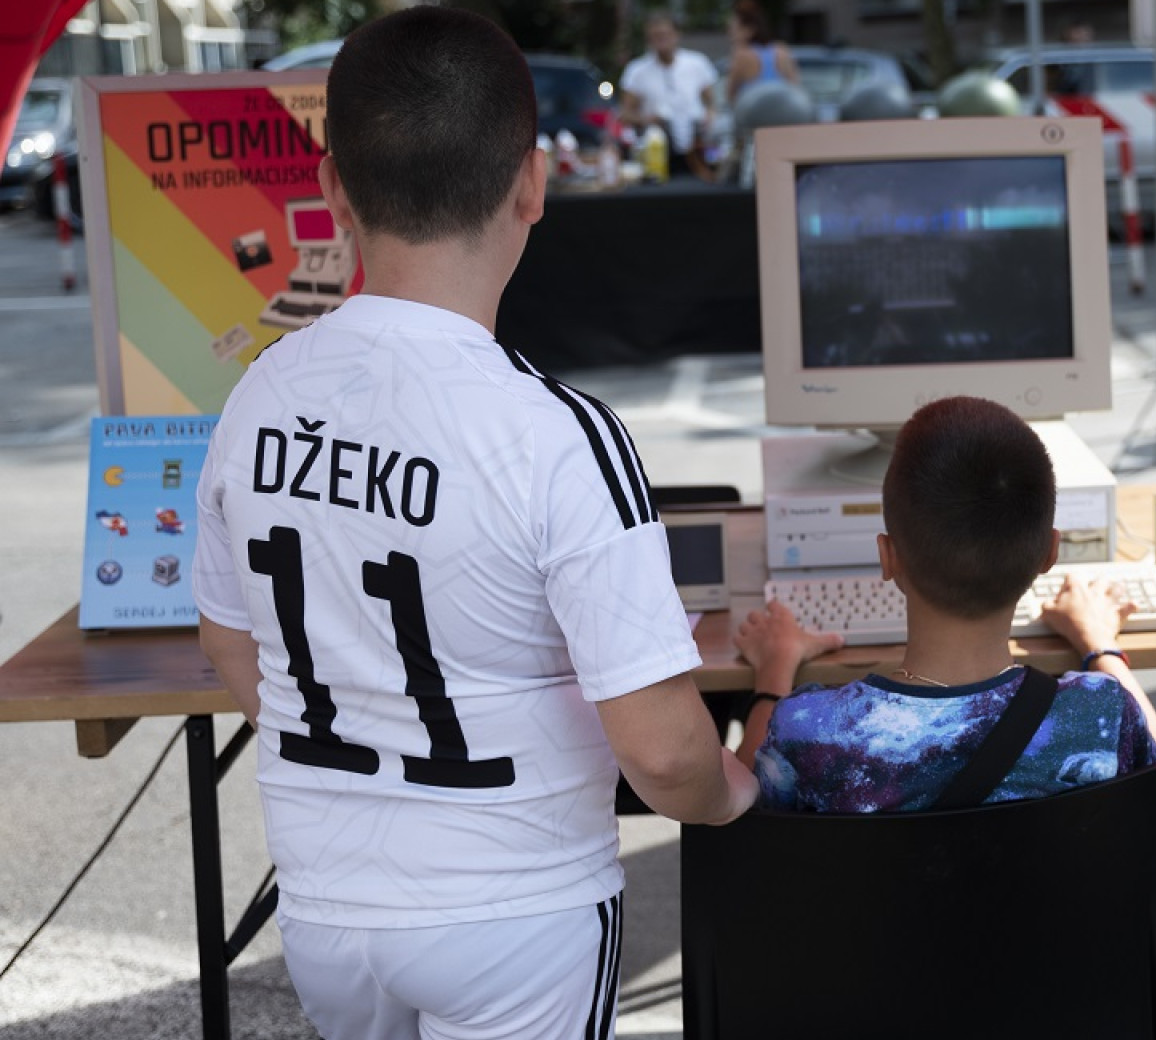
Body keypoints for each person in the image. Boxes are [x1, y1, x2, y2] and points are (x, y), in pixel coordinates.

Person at [192, 10, 759, 1037]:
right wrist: (739, 789)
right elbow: (669, 753)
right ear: (533, 183)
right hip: (517, 910)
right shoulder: (556, 435)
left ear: (332, 190)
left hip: (326, 908)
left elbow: (233, 636)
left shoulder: (258, 395)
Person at [730, 396, 1156, 812]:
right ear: (1050, 553)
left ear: (888, 557)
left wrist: (773, 675)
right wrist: (1100, 645)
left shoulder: (809, 728)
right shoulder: (1099, 713)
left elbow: (745, 802)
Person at [620, 12, 718, 179]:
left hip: (695, 146)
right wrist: (647, 120)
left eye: (664, 35)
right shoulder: (637, 71)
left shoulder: (697, 63)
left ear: (676, 35)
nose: (661, 41)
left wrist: (709, 115)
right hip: (657, 149)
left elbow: (711, 101)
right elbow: (625, 113)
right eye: (655, 36)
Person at [724, 0, 799, 104]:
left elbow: (730, 94)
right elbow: (795, 87)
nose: (730, 34)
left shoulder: (740, 55)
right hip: (785, 113)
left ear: (749, 30)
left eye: (733, 29)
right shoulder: (782, 50)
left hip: (753, 117)